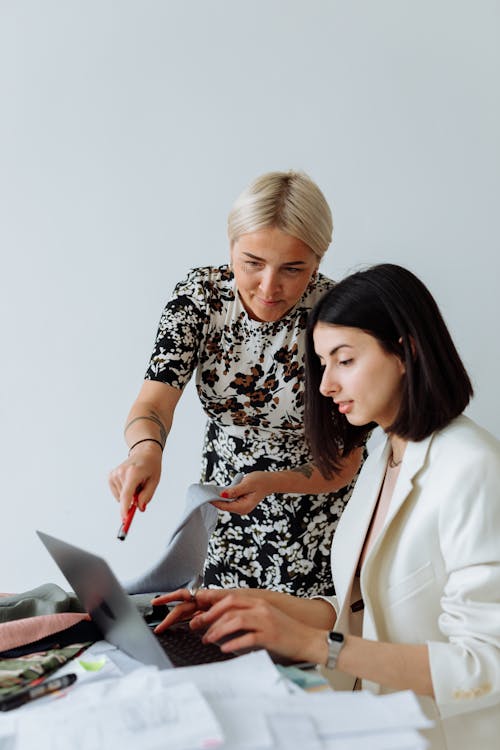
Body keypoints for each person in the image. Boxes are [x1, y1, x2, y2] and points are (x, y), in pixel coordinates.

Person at [154, 264, 500, 749]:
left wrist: (313, 646)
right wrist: (253, 604)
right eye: (323, 363)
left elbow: (487, 664)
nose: (325, 386)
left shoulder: (473, 466)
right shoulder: (384, 455)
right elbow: (361, 608)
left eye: (344, 360)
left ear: (407, 350)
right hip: (373, 721)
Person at [108, 170, 363, 597]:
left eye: (293, 268)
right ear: (230, 247)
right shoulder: (201, 298)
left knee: (309, 653)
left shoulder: (340, 315)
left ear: (319, 258)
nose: (269, 286)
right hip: (224, 510)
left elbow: (346, 461)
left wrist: (270, 481)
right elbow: (153, 404)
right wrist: (145, 451)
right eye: (252, 263)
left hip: (318, 517)